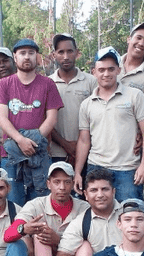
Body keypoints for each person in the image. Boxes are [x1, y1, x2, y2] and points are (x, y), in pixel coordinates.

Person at [74, 47, 144, 202]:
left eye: (111, 69)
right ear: (94, 72)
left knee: (129, 215)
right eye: (101, 70)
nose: (106, 74)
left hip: (127, 169)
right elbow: (84, 141)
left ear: (119, 70)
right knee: (97, 214)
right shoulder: (87, 104)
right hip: (96, 166)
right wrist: (78, 171)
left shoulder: (134, 96)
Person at [0, 38, 63, 205]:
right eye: (22, 53)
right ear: (15, 57)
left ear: (37, 57)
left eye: (31, 53)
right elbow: (2, 118)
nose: (27, 57)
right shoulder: (4, 84)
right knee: (13, 202)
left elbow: (52, 117)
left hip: (38, 152)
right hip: (11, 154)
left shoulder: (48, 84)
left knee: (40, 203)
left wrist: (32, 141)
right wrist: (20, 140)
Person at [49, 33, 97, 165]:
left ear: (77, 53)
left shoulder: (92, 82)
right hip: (55, 153)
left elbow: (98, 117)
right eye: (61, 52)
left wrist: (82, 144)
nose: (65, 57)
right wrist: (65, 144)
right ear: (54, 55)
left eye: (70, 51)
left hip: (88, 152)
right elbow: (43, 119)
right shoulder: (47, 83)